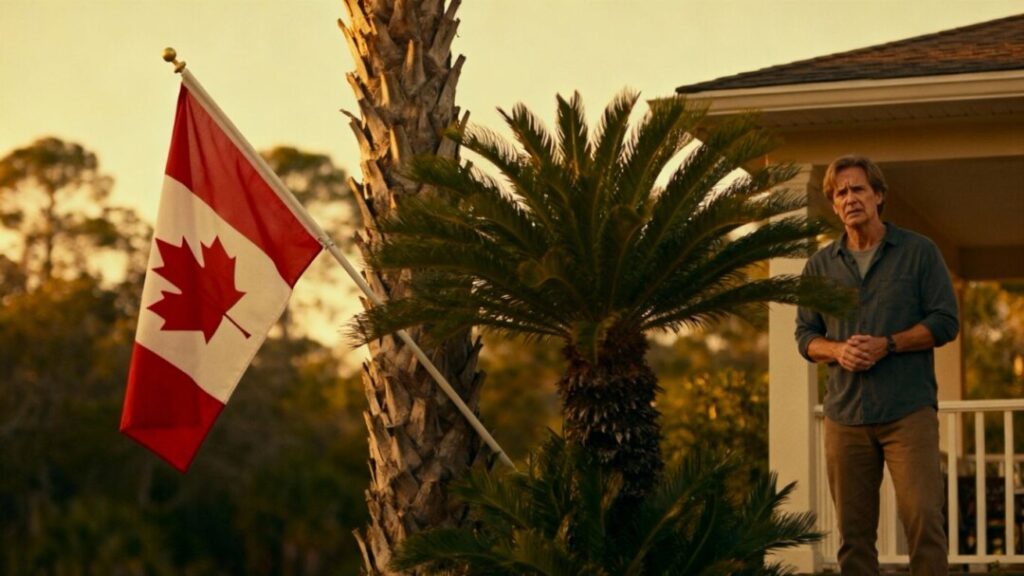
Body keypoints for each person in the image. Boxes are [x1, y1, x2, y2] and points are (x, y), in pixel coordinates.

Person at [795, 155, 959, 575]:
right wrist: (837, 351)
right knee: (854, 537)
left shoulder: (919, 253)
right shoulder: (819, 266)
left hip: (908, 412)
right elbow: (805, 337)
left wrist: (889, 344)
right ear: (834, 205)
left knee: (924, 520)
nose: (850, 198)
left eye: (858, 189)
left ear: (878, 195)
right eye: (841, 192)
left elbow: (944, 321)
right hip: (846, 416)